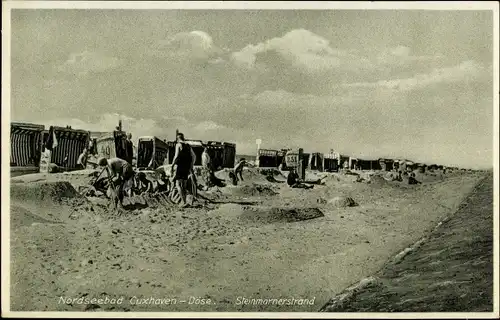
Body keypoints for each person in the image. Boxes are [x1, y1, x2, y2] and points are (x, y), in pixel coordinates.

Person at [170, 132, 197, 208]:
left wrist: (172, 166)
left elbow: (176, 156)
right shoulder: (188, 145)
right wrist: (191, 165)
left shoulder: (178, 145)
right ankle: (185, 201)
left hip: (180, 166)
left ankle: (183, 201)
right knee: (184, 185)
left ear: (178, 138)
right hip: (187, 167)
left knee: (178, 184)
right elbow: (194, 156)